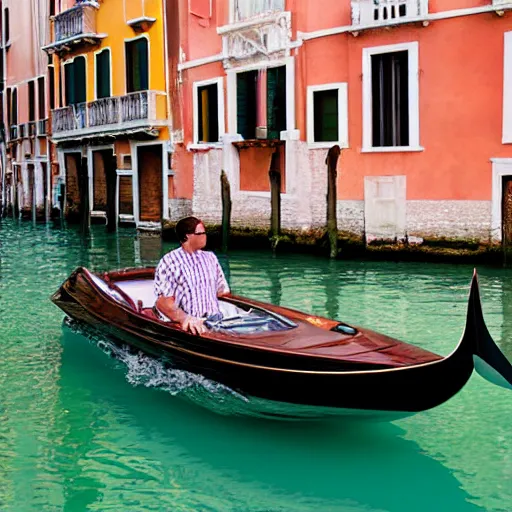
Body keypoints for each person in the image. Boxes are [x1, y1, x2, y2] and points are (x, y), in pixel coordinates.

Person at [154, 216, 230, 335]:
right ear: (187, 236)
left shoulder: (211, 258)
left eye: (205, 233)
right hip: (190, 324)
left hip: (216, 321)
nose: (205, 236)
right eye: (200, 233)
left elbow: (222, 291)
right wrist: (185, 318)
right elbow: (163, 302)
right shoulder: (169, 261)